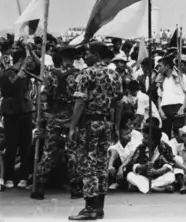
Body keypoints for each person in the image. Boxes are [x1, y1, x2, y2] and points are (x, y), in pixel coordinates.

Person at [68, 41, 123, 221]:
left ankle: (89, 207)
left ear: (96, 54)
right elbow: (119, 103)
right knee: (101, 164)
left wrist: (72, 126)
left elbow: (80, 102)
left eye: (89, 53)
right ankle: (99, 207)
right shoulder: (115, 75)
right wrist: (116, 125)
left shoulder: (87, 73)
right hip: (107, 124)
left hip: (90, 123)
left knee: (88, 164)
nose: (86, 56)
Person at [31, 45, 82, 200]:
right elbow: (80, 99)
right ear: (73, 58)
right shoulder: (78, 75)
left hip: (54, 119)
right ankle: (75, 188)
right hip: (71, 119)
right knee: (72, 153)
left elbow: (44, 96)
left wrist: (44, 116)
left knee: (48, 153)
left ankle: (39, 187)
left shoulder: (51, 74)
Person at [0, 42, 39, 191]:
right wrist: (22, 70)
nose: (29, 63)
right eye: (27, 59)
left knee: (26, 146)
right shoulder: (6, 73)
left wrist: (30, 50)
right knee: (11, 145)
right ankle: (9, 177)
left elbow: (39, 65)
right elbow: (13, 87)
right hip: (12, 113)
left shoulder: (27, 73)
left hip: (26, 112)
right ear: (21, 60)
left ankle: (24, 176)